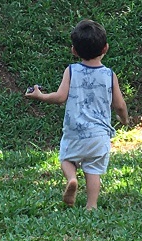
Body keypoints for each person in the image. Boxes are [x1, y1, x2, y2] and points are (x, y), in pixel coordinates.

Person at [25, 19, 129, 210]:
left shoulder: (71, 71)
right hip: (99, 135)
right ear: (105, 48)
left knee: (66, 158)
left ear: (74, 50)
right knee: (93, 171)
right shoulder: (109, 75)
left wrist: (40, 96)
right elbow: (119, 104)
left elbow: (59, 97)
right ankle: (91, 206)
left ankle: (72, 179)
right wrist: (124, 119)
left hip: (74, 131)